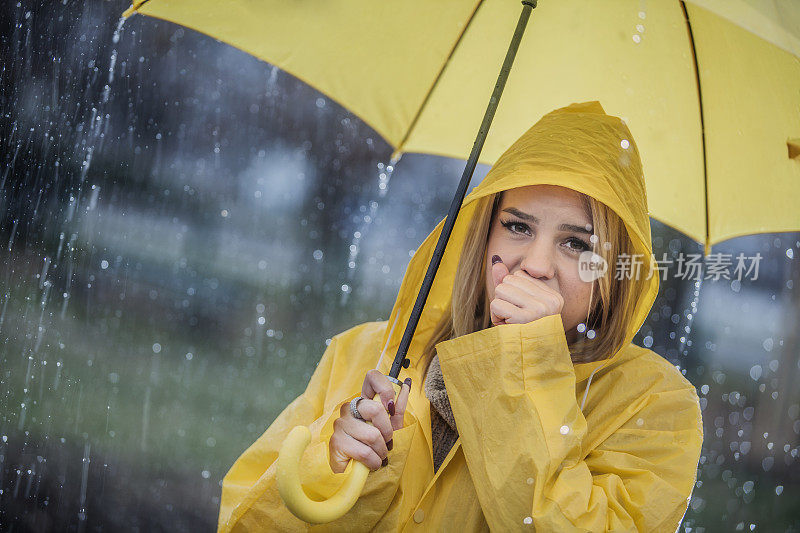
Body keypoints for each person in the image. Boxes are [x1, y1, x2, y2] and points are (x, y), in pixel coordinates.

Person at [217, 101, 704, 532]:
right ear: (482, 237)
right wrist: (336, 468)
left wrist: (527, 363)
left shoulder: (655, 407)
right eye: (516, 227)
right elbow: (247, 522)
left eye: (576, 243)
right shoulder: (373, 352)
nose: (535, 264)